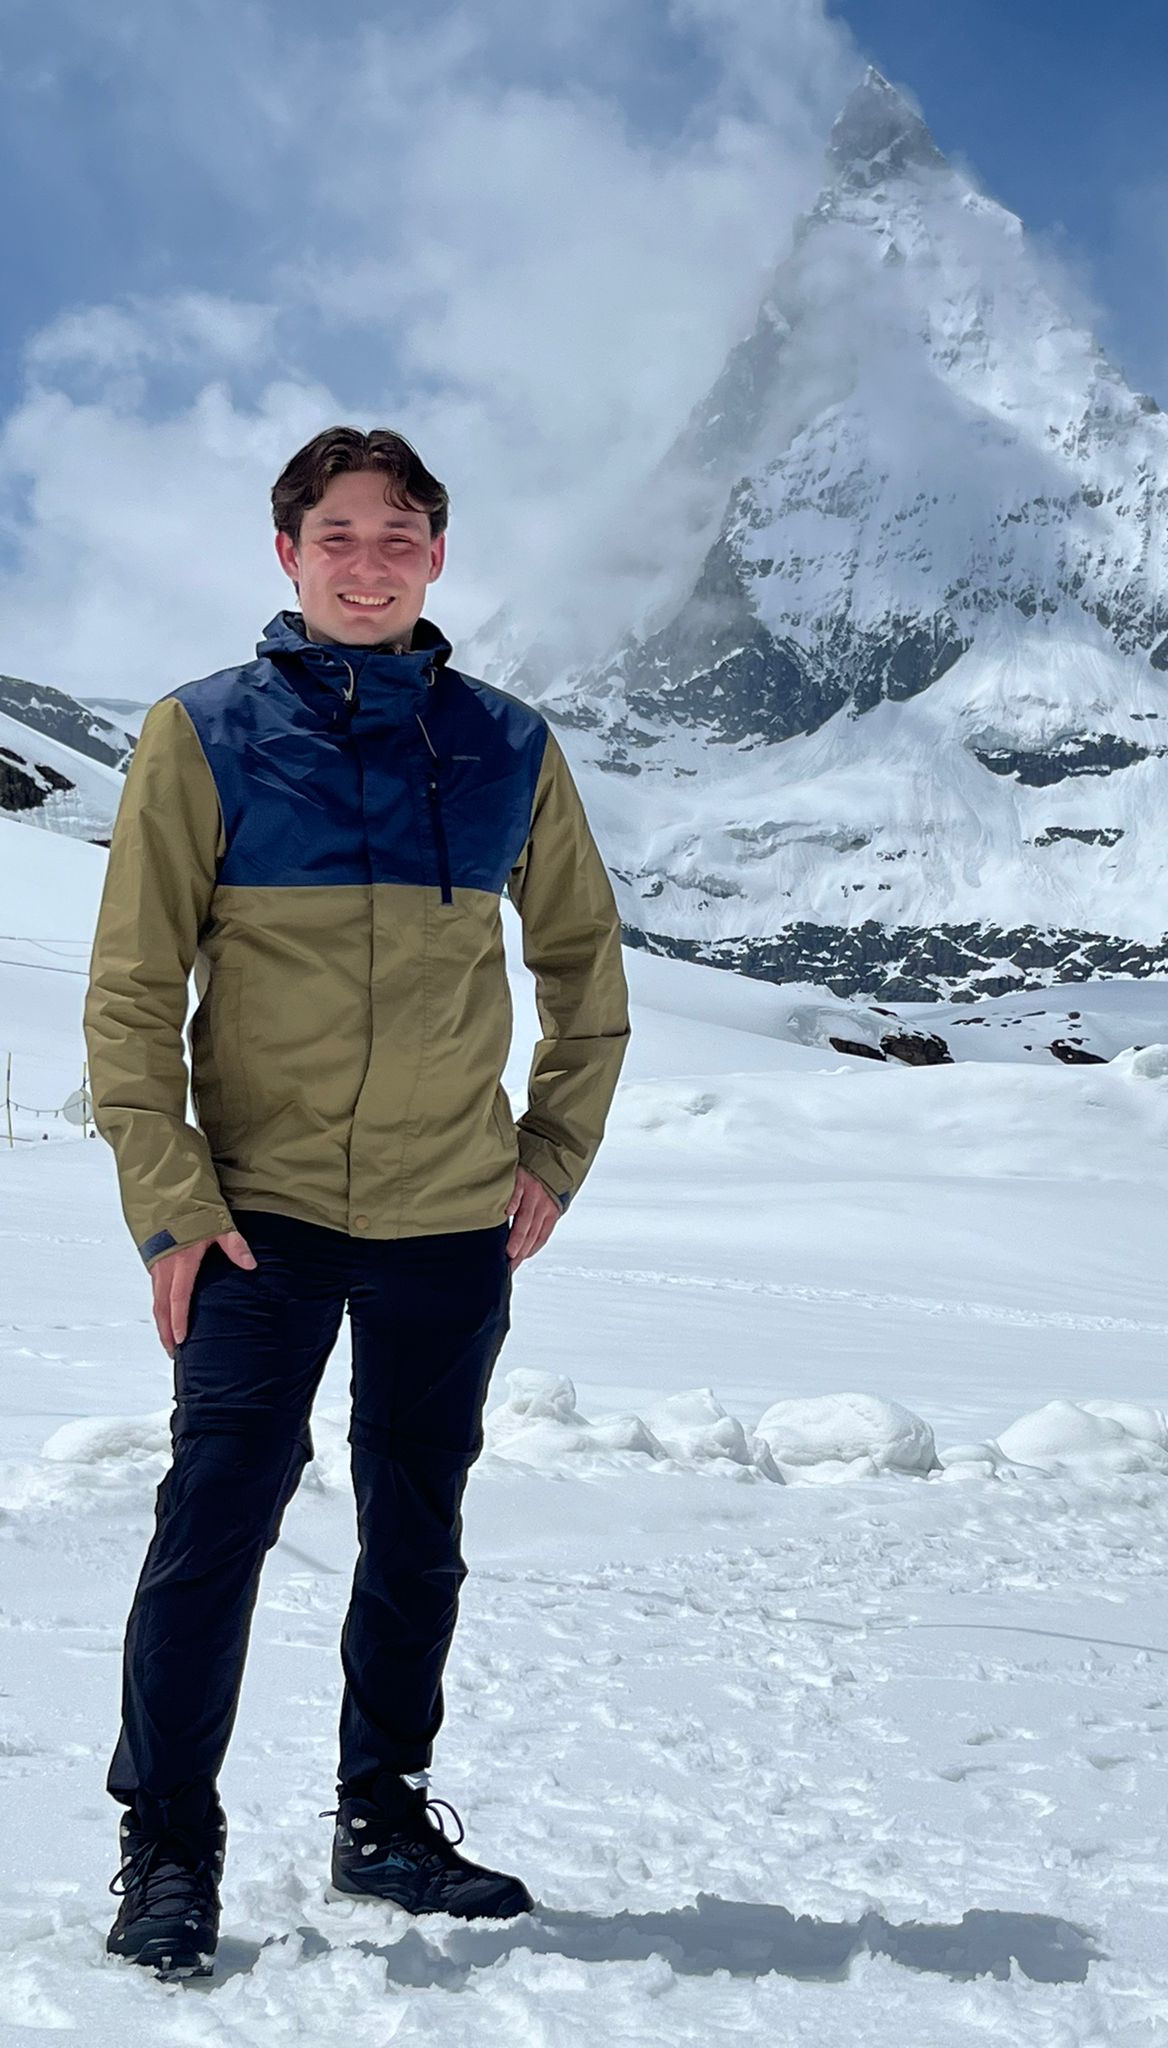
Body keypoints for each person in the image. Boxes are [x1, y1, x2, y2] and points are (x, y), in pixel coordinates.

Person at [82, 425, 631, 1978]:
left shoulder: (509, 744)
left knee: (418, 1530)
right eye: (339, 536)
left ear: (438, 557)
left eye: (400, 537)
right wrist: (172, 1208)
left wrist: (550, 1155)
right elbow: (130, 996)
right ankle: (167, 1848)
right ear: (287, 555)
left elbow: (586, 968)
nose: (370, 562)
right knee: (214, 1523)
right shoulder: (203, 737)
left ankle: (382, 1821)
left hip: (450, 1219)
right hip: (255, 1217)